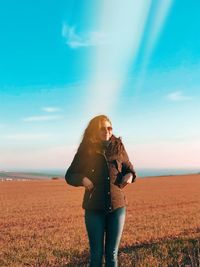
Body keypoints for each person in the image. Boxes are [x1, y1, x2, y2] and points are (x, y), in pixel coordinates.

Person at [65, 115, 136, 267]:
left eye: (109, 128)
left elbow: (129, 168)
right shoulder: (86, 150)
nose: (106, 131)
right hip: (94, 208)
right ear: (94, 131)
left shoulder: (118, 146)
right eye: (102, 128)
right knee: (96, 255)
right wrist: (83, 180)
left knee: (112, 254)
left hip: (117, 207)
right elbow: (70, 175)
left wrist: (130, 176)